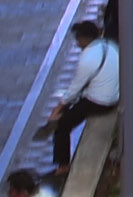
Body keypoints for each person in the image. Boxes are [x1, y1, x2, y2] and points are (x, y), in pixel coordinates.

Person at [41, 14, 118, 174]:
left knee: (62, 125)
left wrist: (57, 110)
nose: (77, 43)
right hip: (116, 94)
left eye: (78, 39)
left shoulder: (87, 57)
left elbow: (74, 90)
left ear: (85, 38)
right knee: (75, 99)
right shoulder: (111, 46)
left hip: (100, 102)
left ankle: (63, 165)